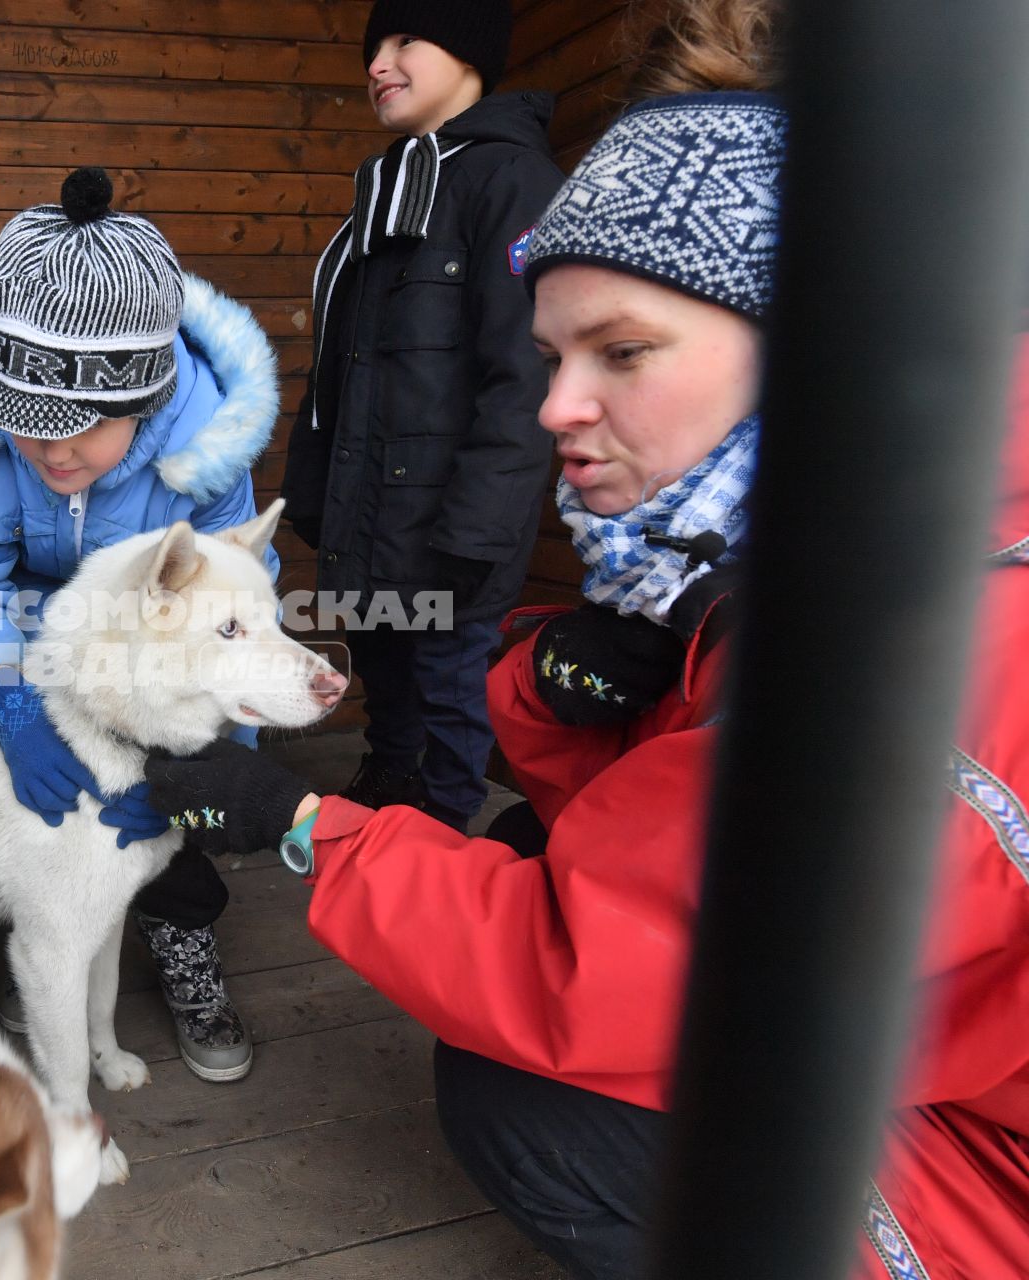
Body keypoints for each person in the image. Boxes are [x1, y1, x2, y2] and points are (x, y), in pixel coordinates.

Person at [142, 73, 1029, 1280]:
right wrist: (585, 680)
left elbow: (588, 956)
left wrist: (304, 824)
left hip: (992, 1168)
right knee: (511, 836)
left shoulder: (928, 669)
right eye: (551, 352)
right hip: (931, 1049)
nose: (558, 403)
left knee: (524, 1092)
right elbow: (652, 840)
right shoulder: (806, 555)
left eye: (622, 350)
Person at [0, 167, 280, 1082]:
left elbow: (229, 613)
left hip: (156, 638)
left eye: (80, 428)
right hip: (25, 627)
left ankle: (182, 929)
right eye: (27, 422)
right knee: (25, 782)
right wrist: (6, 696)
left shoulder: (205, 451)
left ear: (146, 399)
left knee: (163, 803)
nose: (50, 450)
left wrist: (206, 752)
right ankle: (37, 949)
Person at [278, 0, 565, 828]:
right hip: (372, 511)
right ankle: (390, 792)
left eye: (406, 40)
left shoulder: (512, 182)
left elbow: (524, 377)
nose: (377, 64)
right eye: (374, 46)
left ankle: (442, 837)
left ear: (470, 54)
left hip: (448, 523)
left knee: (447, 685)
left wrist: (479, 529)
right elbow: (348, 363)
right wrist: (317, 493)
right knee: (385, 667)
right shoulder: (395, 184)